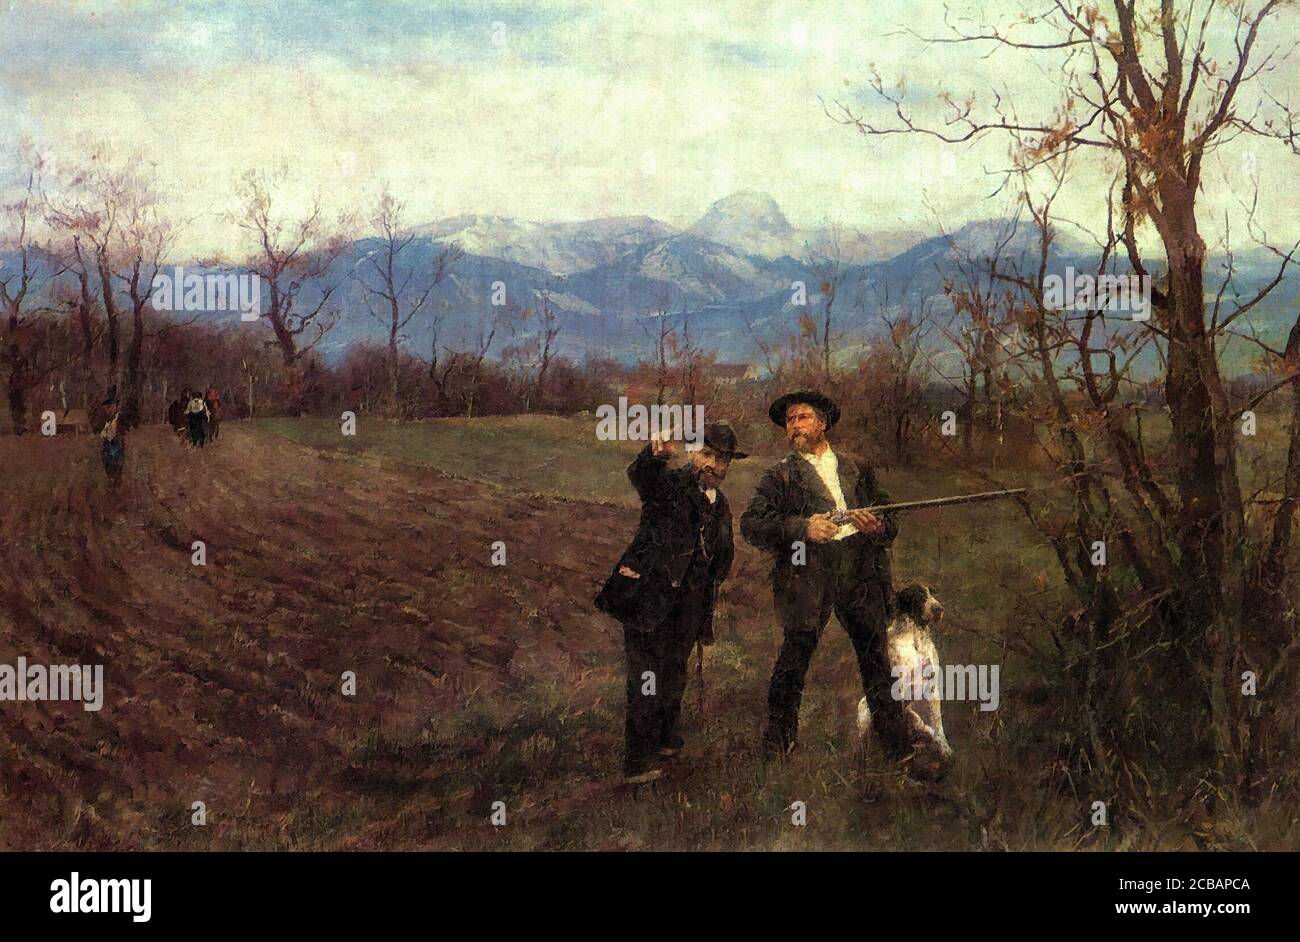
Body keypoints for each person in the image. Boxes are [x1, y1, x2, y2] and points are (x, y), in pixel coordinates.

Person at [739, 390, 912, 762]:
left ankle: (897, 746)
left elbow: (891, 521)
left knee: (876, 659)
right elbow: (752, 525)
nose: (795, 426)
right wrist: (803, 528)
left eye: (802, 418)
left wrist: (874, 527)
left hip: (860, 570)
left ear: (823, 423)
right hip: (809, 573)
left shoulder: (857, 468)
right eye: (789, 421)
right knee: (794, 657)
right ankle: (779, 744)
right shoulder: (780, 475)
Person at [596, 421, 747, 784]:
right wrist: (654, 455)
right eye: (707, 454)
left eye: (723, 459)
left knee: (673, 676)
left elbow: (721, 556)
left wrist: (708, 587)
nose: (714, 464)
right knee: (646, 679)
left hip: (689, 609)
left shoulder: (720, 503)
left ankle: (666, 742)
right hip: (649, 601)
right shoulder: (670, 486)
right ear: (693, 453)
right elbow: (643, 479)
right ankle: (638, 762)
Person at [100, 399, 126, 489]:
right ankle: (111, 481)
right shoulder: (107, 419)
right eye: (106, 409)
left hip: (116, 444)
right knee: (108, 463)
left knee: (117, 464)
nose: (107, 411)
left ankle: (116, 483)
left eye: (109, 408)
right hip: (108, 444)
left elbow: (122, 431)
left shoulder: (120, 418)